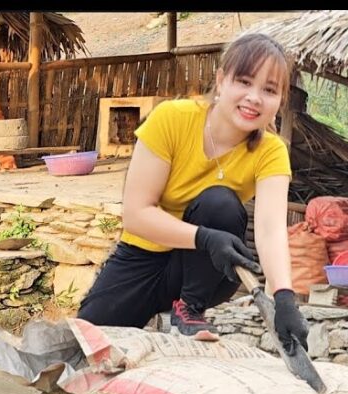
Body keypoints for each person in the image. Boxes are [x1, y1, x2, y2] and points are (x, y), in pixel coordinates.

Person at [77, 31, 309, 353]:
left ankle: (190, 310)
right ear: (221, 80)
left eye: (269, 90)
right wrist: (204, 237)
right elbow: (136, 214)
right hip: (143, 257)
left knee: (220, 202)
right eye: (244, 81)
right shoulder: (172, 119)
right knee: (84, 345)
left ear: (280, 101)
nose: (254, 97)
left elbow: (271, 230)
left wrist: (284, 297)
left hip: (207, 271)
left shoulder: (271, 152)